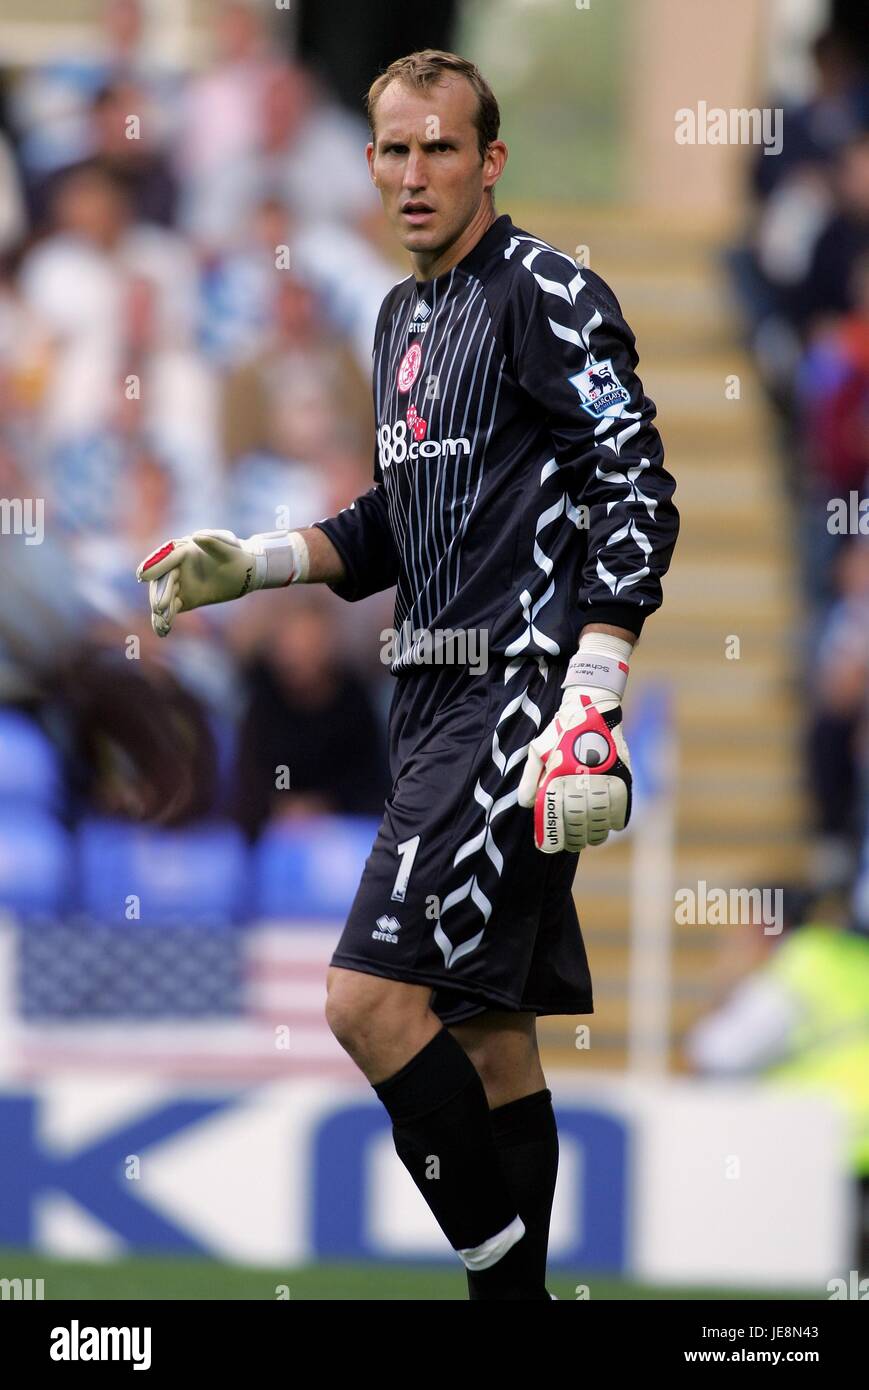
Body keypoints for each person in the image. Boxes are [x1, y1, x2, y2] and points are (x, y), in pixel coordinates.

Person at [135, 49, 679, 1299]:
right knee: (487, 1040)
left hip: (515, 699)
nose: (414, 172)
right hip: (430, 697)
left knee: (366, 1003)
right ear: (369, 160)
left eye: (441, 147)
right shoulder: (400, 316)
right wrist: (259, 559)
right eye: (394, 148)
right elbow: (398, 518)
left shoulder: (543, 290)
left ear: (490, 160)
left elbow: (633, 477)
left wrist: (590, 692)